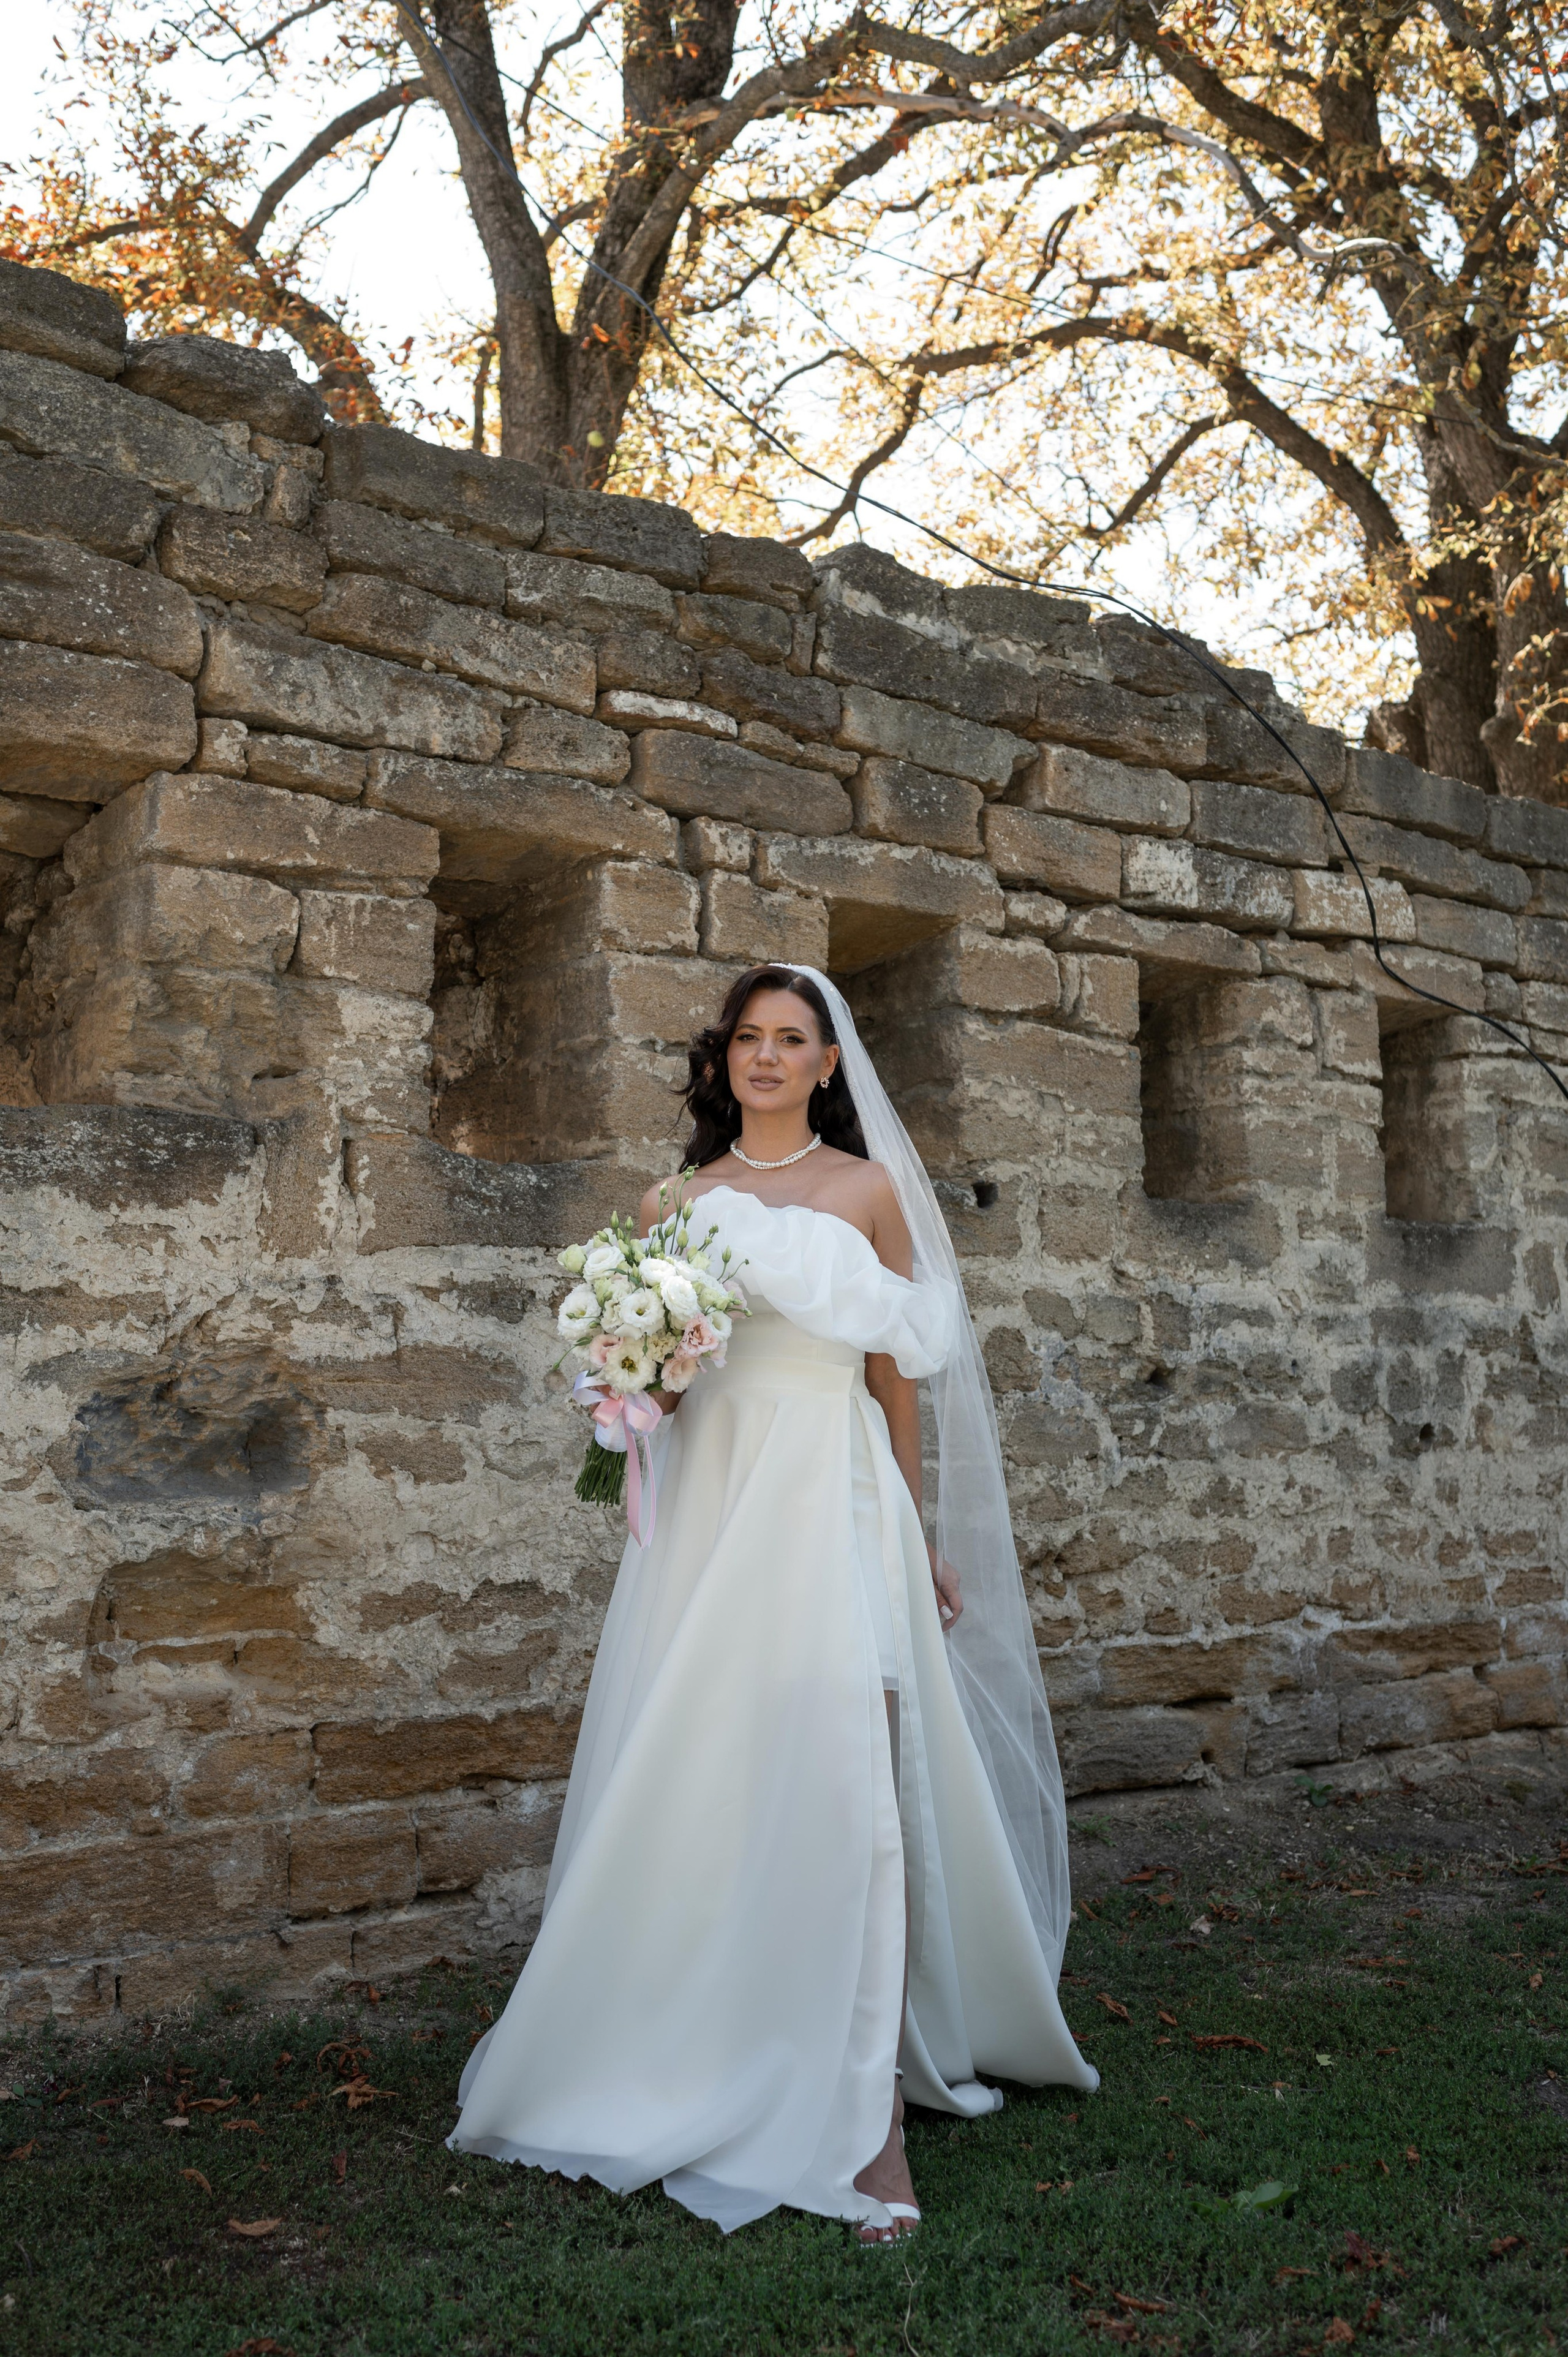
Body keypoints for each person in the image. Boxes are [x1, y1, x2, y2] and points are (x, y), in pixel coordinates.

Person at [449, 964, 1097, 2240]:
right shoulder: (670, 1202)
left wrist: (915, 1531)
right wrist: (639, 1367)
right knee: (710, 1763)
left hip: (833, 1488)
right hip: (710, 1503)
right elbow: (667, 1388)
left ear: (824, 1064)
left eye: (789, 1038)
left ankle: (869, 2127)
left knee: (853, 1766)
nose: (764, 1056)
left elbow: (892, 1375)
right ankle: (702, 2030)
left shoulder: (865, 1194)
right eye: (745, 1036)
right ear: (719, 1061)